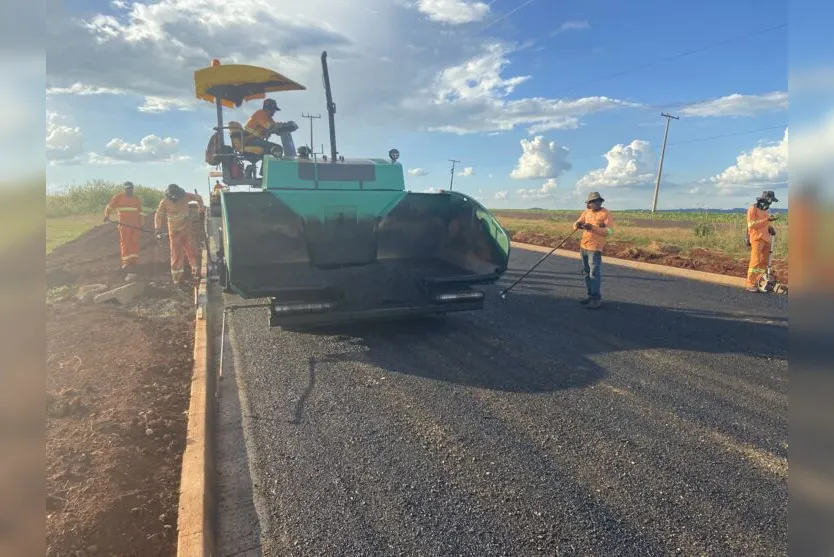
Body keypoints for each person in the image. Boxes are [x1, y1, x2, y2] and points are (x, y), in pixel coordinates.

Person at [154, 184, 205, 285]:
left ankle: (196, 273)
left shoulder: (185, 196)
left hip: (187, 230)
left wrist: (201, 209)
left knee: (192, 252)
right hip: (174, 232)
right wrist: (157, 229)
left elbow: (199, 198)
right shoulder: (164, 202)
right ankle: (177, 278)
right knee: (176, 255)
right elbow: (158, 215)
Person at [573, 191, 615, 309]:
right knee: (586, 272)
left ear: (600, 202)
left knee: (594, 273)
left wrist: (593, 228)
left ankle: (596, 299)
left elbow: (609, 231)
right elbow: (576, 223)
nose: (594, 203)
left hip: (595, 248)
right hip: (584, 246)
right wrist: (577, 224)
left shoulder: (605, 213)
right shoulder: (586, 212)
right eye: (592, 202)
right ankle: (590, 296)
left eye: (597, 201)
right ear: (588, 204)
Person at [104, 181, 144, 269]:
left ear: (133, 189)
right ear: (124, 189)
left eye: (130, 189)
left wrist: (141, 224)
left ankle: (134, 261)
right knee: (125, 243)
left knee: (134, 242)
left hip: (135, 225)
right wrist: (107, 215)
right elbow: (109, 207)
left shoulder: (136, 199)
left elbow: (140, 212)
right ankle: (126, 262)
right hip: (124, 225)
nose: (129, 190)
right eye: (127, 189)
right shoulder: (118, 197)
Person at [745, 190, 779, 293]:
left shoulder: (765, 210)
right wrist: (767, 220)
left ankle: (759, 281)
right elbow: (752, 225)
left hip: (766, 239)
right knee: (755, 262)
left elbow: (765, 223)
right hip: (757, 238)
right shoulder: (752, 209)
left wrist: (770, 227)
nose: (770, 203)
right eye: (770, 200)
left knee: (764, 262)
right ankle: (750, 283)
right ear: (765, 199)